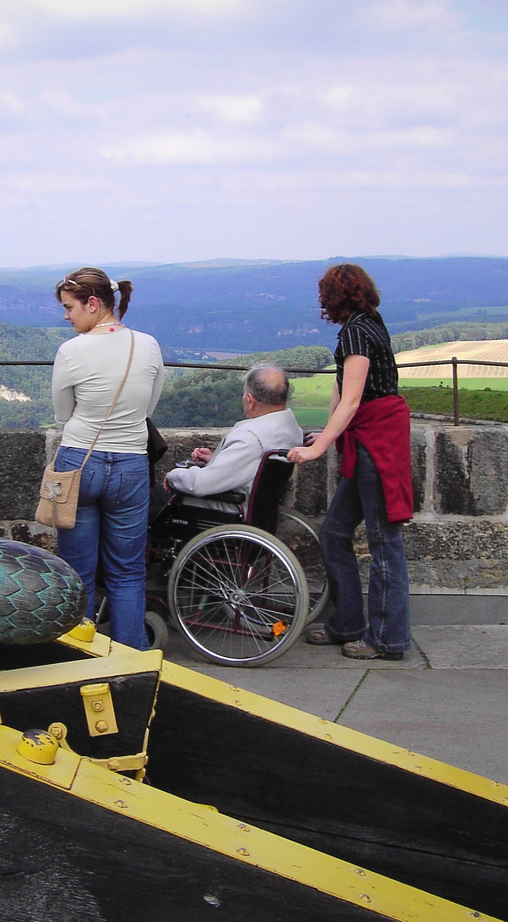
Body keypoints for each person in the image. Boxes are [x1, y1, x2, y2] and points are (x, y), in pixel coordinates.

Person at [286, 263, 412, 661]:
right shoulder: (370, 322)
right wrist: (327, 431)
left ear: (333, 296)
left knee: (383, 543)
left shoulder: (357, 332)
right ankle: (349, 624)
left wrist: (320, 446)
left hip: (377, 443)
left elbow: (354, 397)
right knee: (335, 532)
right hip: (370, 441)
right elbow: (342, 389)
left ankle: (388, 639)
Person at [51, 267, 165, 650]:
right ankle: (132, 657)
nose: (67, 316)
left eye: (69, 307)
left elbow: (62, 413)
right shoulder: (147, 345)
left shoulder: (71, 351)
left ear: (93, 303)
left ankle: (78, 654)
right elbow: (148, 406)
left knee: (77, 571)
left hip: (80, 461)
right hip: (132, 463)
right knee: (128, 572)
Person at [161, 364, 302, 514]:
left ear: (250, 400)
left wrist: (173, 476)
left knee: (151, 502)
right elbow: (251, 468)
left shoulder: (250, 438)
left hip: (225, 510)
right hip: (259, 509)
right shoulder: (292, 430)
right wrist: (217, 460)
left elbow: (200, 484)